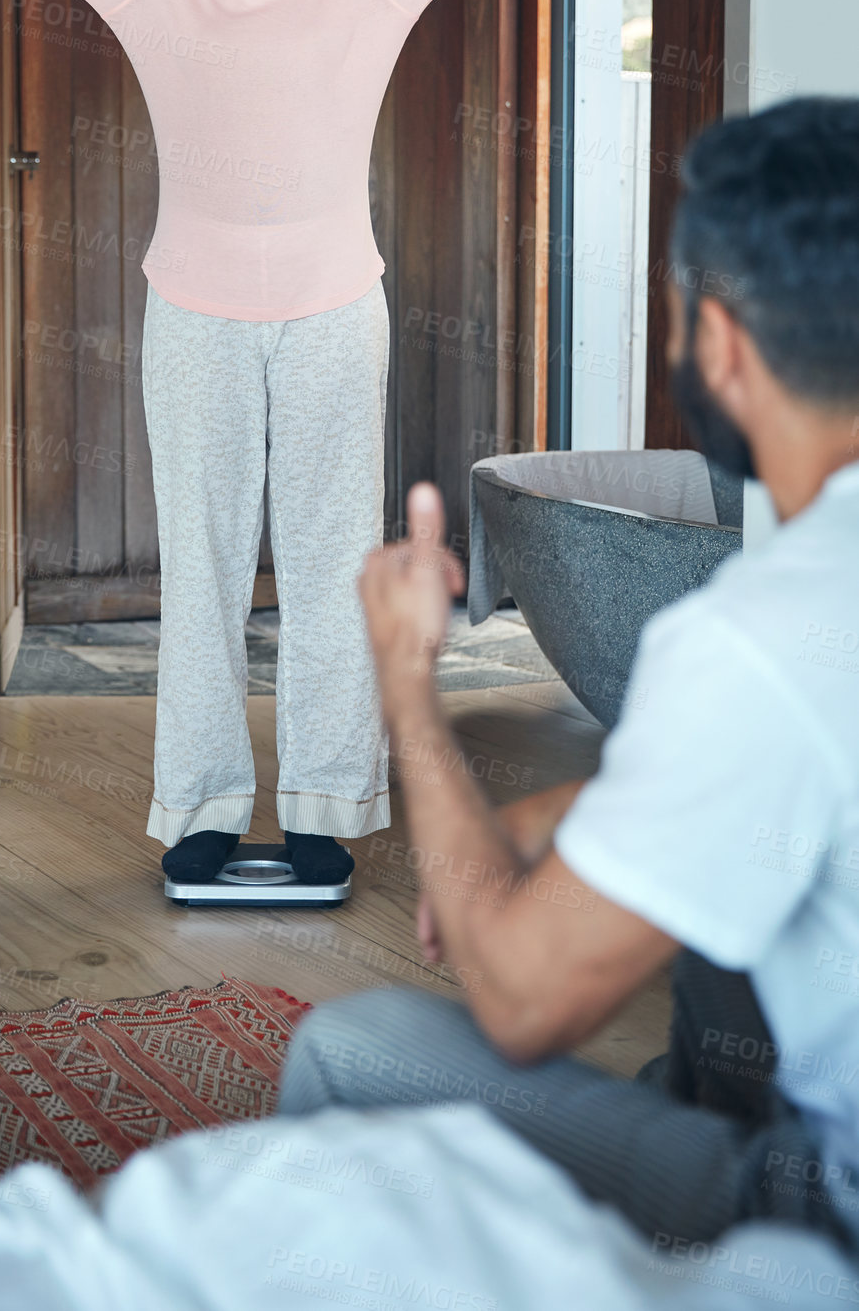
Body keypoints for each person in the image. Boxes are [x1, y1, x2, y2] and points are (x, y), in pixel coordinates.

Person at [277, 94, 859, 1253]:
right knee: (715, 969)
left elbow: (519, 996)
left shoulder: (762, 629)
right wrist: (553, 816)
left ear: (721, 345)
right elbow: (797, 769)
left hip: (824, 1220)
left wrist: (405, 681)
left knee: (344, 1056)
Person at [0, 0, 536, 885]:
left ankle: (327, 800)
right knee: (206, 566)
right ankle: (204, 805)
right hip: (191, 312)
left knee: (335, 567)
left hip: (337, 309)